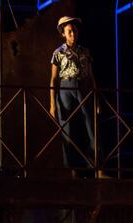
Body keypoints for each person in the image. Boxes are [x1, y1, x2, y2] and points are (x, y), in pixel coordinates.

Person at [50, 16, 101, 177]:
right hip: (65, 88)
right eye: (69, 31)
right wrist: (52, 104)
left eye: (75, 30)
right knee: (68, 128)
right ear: (63, 34)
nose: (73, 34)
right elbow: (53, 79)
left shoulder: (85, 51)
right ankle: (71, 171)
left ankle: (96, 167)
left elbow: (91, 77)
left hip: (83, 87)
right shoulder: (58, 53)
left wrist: (97, 100)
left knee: (90, 126)